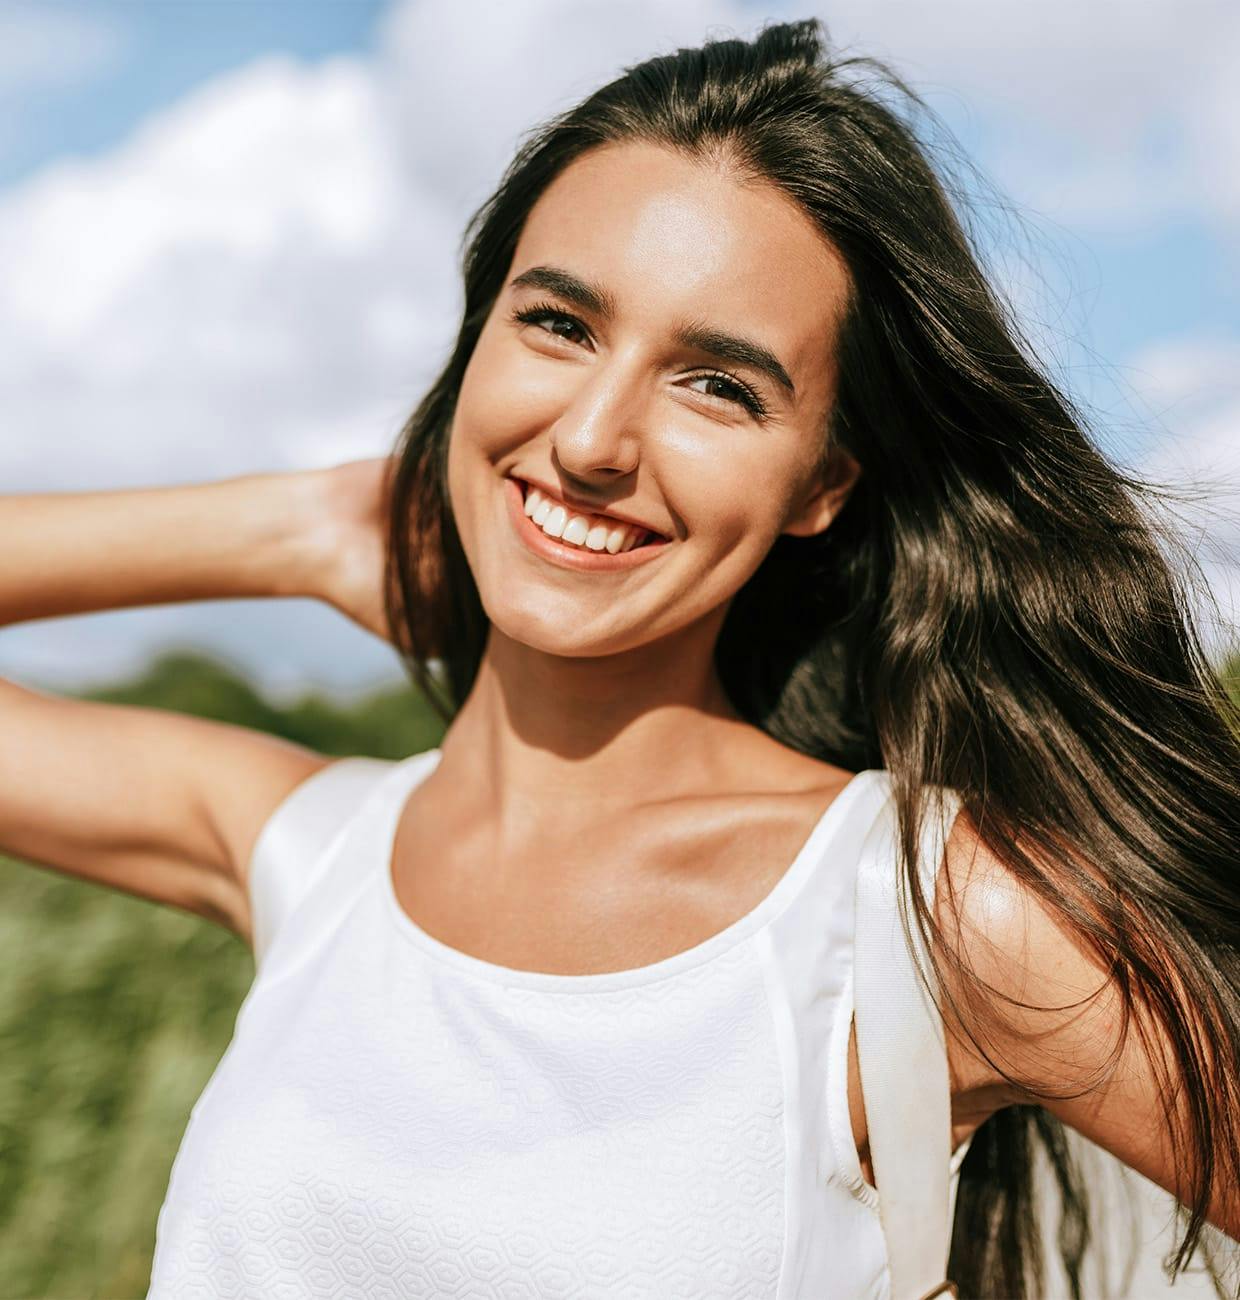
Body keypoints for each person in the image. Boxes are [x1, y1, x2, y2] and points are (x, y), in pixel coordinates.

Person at [2, 17, 1237, 1300]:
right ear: (473, 339)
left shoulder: (914, 909)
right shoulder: (309, 852)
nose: (595, 437)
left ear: (822, 483)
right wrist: (300, 527)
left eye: (718, 386)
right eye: (556, 324)